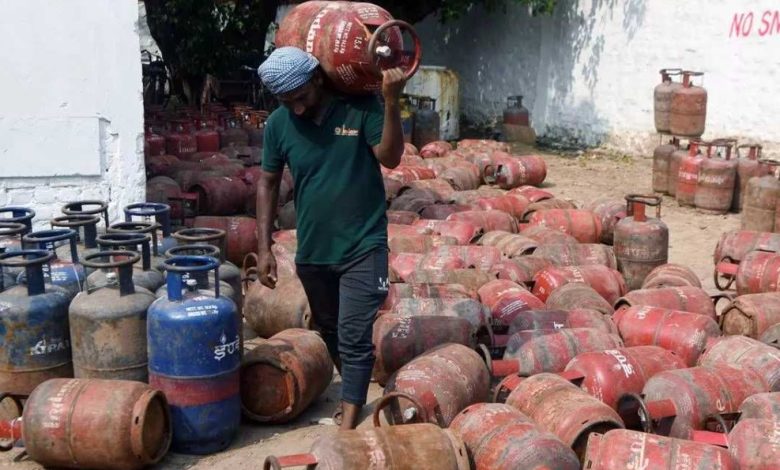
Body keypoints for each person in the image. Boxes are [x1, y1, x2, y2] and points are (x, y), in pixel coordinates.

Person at [255, 46, 406, 430]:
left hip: (364, 245)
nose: (298, 109)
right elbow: (268, 183)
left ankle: (349, 422)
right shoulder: (278, 125)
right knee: (330, 329)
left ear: (317, 79)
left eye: (302, 97)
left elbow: (389, 158)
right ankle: (356, 389)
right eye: (288, 102)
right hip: (314, 251)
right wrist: (263, 247)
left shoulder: (361, 108)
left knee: (355, 334)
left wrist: (391, 103)